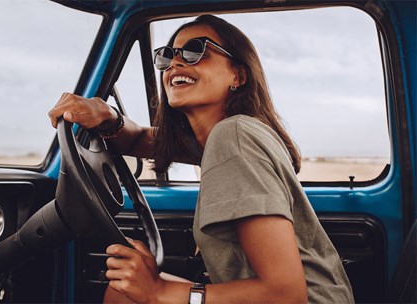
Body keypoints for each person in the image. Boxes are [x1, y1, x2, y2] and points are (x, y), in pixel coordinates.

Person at [48, 14, 354, 304]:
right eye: (167, 56)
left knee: (130, 292)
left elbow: (285, 295)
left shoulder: (234, 136)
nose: (175, 63)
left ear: (238, 74)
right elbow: (143, 138)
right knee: (125, 291)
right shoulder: (225, 137)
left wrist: (159, 291)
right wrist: (106, 114)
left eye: (196, 50)